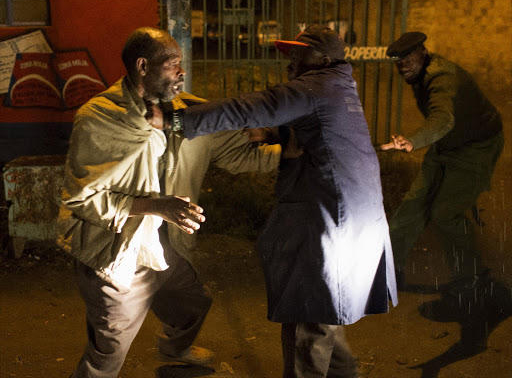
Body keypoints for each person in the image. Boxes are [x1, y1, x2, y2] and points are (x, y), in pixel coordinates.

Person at [173, 25, 398, 378]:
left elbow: (254, 106)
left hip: (332, 218)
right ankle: (344, 372)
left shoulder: (316, 86)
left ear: (323, 60)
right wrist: (275, 131)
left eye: (299, 54)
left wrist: (176, 119)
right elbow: (316, 126)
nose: (290, 62)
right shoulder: (338, 86)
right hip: (351, 216)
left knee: (309, 312)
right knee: (325, 308)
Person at [57, 27, 281, 377]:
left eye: (181, 64)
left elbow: (243, 156)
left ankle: (174, 346)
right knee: (107, 353)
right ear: (143, 66)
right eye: (173, 64)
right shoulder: (100, 117)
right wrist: (157, 206)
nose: (182, 72)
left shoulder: (189, 115)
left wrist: (300, 152)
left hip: (167, 245)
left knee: (192, 303)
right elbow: (82, 199)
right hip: (118, 250)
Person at [380, 32, 504, 291]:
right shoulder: (418, 74)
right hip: (446, 145)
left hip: (476, 147)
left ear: (423, 53)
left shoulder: (441, 76)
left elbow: (443, 119)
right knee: (413, 205)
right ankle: (387, 274)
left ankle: (476, 277)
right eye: (398, 61)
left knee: (445, 213)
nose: (402, 66)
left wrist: (413, 141)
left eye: (407, 59)